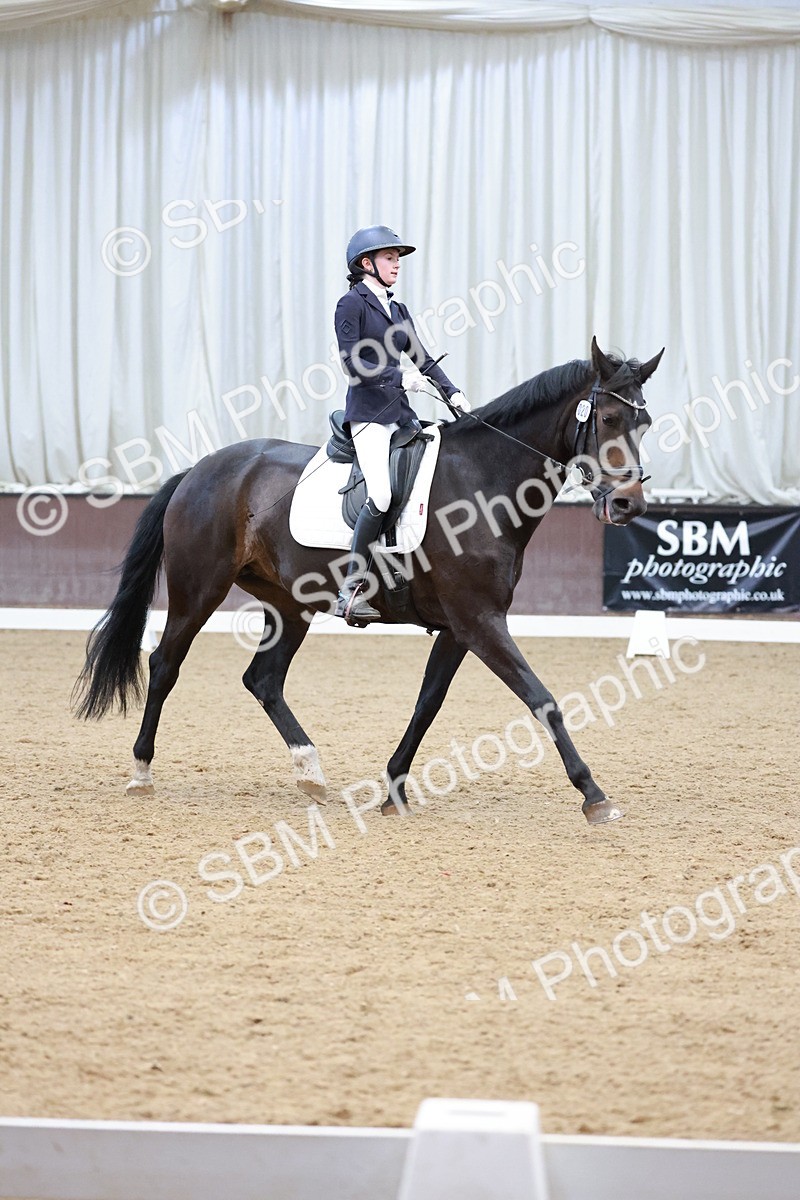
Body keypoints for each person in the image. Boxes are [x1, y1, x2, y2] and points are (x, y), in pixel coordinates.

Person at [333, 225, 468, 625]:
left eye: (396, 258)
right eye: (390, 258)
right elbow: (352, 363)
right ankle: (351, 587)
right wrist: (397, 378)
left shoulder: (397, 309)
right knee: (381, 495)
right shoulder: (350, 305)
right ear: (366, 263)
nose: (396, 265)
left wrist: (453, 393)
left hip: (402, 416)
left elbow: (423, 360)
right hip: (369, 417)